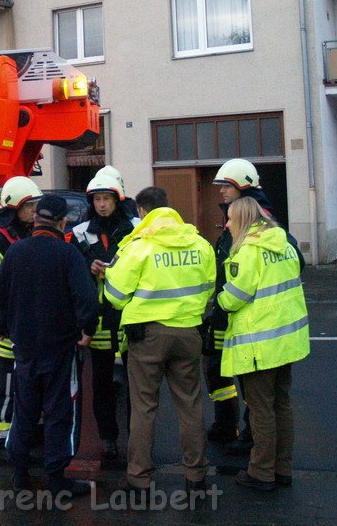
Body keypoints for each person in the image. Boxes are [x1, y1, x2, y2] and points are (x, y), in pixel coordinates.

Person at [103, 186, 216, 495]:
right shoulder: (199, 243)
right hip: (189, 332)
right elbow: (209, 288)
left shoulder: (138, 246)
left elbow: (114, 296)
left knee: (143, 407)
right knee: (191, 405)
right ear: (169, 208)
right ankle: (196, 476)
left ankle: (139, 478)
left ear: (142, 212)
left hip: (148, 336)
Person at [0, 194, 99, 497]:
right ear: (63, 222)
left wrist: (1, 328)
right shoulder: (68, 255)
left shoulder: (15, 252)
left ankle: (20, 473)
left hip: (24, 347)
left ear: (36, 218)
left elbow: (0, 297)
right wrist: (86, 330)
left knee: (24, 410)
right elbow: (88, 301)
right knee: (58, 411)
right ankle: (56, 478)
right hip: (59, 349)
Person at [205, 158, 303, 453]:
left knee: (254, 388)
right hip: (231, 317)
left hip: (244, 317)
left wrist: (222, 301)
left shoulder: (261, 224)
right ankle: (228, 426)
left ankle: (253, 440)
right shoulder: (245, 219)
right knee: (218, 371)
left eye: (225, 186)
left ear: (242, 187)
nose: (220, 191)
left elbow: (287, 266)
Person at [217, 196, 310, 491]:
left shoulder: (247, 251)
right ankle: (283, 468)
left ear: (243, 220)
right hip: (286, 341)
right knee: (281, 405)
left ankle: (261, 471)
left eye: (230, 218)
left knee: (260, 409)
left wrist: (218, 299)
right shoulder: (284, 245)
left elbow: (233, 298)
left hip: (259, 343)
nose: (226, 224)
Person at [70, 166, 139, 461]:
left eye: (106, 199)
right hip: (98, 321)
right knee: (101, 384)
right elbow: (71, 272)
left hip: (131, 319)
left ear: (118, 198)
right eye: (97, 199)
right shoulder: (79, 233)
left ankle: (137, 438)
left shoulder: (139, 228)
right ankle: (108, 439)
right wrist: (89, 267)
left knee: (137, 386)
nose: (101, 204)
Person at [0, 175, 42, 458]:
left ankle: (25, 431)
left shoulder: (22, 231)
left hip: (23, 326)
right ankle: (0, 438)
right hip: (5, 330)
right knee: (5, 387)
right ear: (15, 207)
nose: (35, 212)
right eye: (30, 207)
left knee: (27, 384)